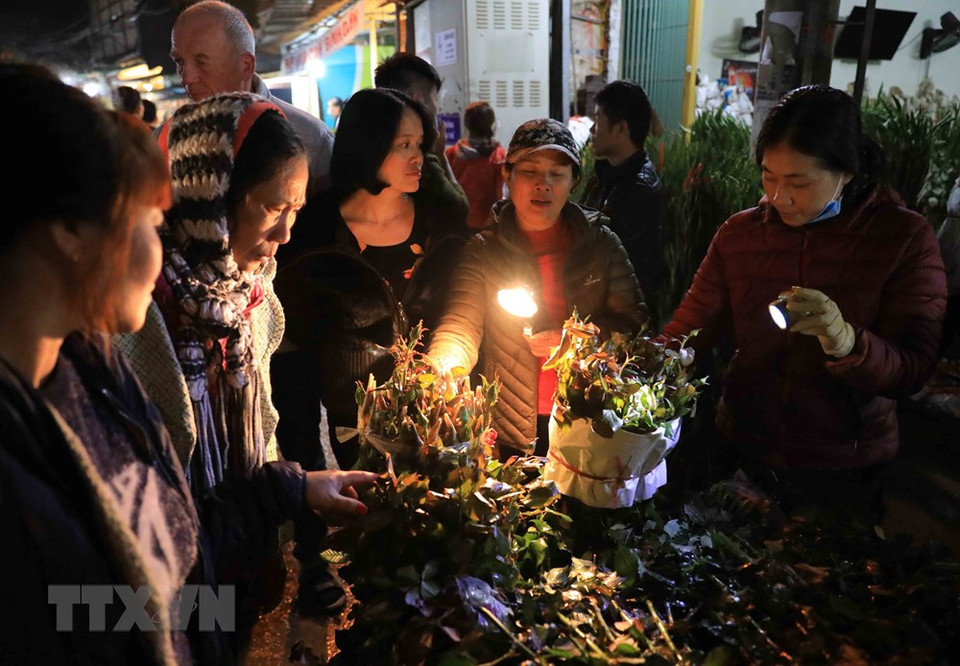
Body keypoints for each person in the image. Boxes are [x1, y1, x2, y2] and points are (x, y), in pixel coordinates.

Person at [0, 63, 375, 665]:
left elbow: (171, 541)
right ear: (70, 229)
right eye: (150, 222)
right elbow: (91, 607)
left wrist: (291, 491)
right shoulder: (100, 372)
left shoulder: (89, 371)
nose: (162, 242)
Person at [116, 92, 348, 644]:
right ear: (209, 199)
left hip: (234, 559)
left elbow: (260, 437)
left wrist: (288, 494)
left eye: (297, 210)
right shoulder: (137, 314)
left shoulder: (253, 298)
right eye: (273, 208)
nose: (287, 235)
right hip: (155, 595)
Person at [662, 85, 947, 521]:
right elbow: (688, 329)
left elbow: (914, 366)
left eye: (798, 182)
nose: (779, 197)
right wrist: (634, 367)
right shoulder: (740, 235)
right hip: (742, 444)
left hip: (841, 465)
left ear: (846, 172)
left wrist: (849, 342)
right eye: (769, 176)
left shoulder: (902, 238)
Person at [272, 88, 467, 473]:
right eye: (403, 145)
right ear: (368, 145)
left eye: (420, 144)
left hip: (441, 412)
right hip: (355, 426)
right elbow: (295, 342)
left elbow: (465, 302)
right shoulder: (315, 230)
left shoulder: (440, 220)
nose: (418, 157)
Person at [428, 118, 648, 456]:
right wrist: (442, 364)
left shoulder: (601, 246)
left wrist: (572, 341)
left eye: (556, 174)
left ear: (573, 181)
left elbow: (633, 326)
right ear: (507, 176)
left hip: (587, 421)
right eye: (529, 172)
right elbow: (461, 324)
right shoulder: (484, 250)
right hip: (512, 427)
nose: (542, 185)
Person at [169, 0, 334, 195]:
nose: (186, 77)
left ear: (245, 65)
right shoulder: (167, 141)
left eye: (201, 62)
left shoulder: (311, 139)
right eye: (179, 61)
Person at [583, 80, 664, 320]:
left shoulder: (638, 191)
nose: (591, 129)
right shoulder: (608, 176)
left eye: (597, 120)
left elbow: (622, 267)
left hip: (618, 318)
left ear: (620, 128)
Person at [375, 52, 470, 231]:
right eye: (435, 99)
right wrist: (438, 155)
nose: (436, 108)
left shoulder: (367, 142)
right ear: (417, 99)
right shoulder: (419, 155)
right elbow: (459, 208)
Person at [446, 101, 507, 230]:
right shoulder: (499, 157)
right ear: (491, 124)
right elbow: (501, 199)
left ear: (467, 125)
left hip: (456, 226)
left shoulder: (450, 154)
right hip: (486, 229)